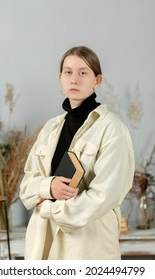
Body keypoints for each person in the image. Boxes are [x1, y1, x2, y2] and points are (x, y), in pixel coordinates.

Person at [20, 46, 135, 260]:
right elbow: (26, 188)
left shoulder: (112, 129)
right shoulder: (49, 128)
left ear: (97, 81)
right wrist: (49, 186)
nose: (74, 79)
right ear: (60, 78)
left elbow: (103, 197)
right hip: (43, 242)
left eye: (83, 72)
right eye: (68, 72)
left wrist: (49, 209)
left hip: (88, 248)